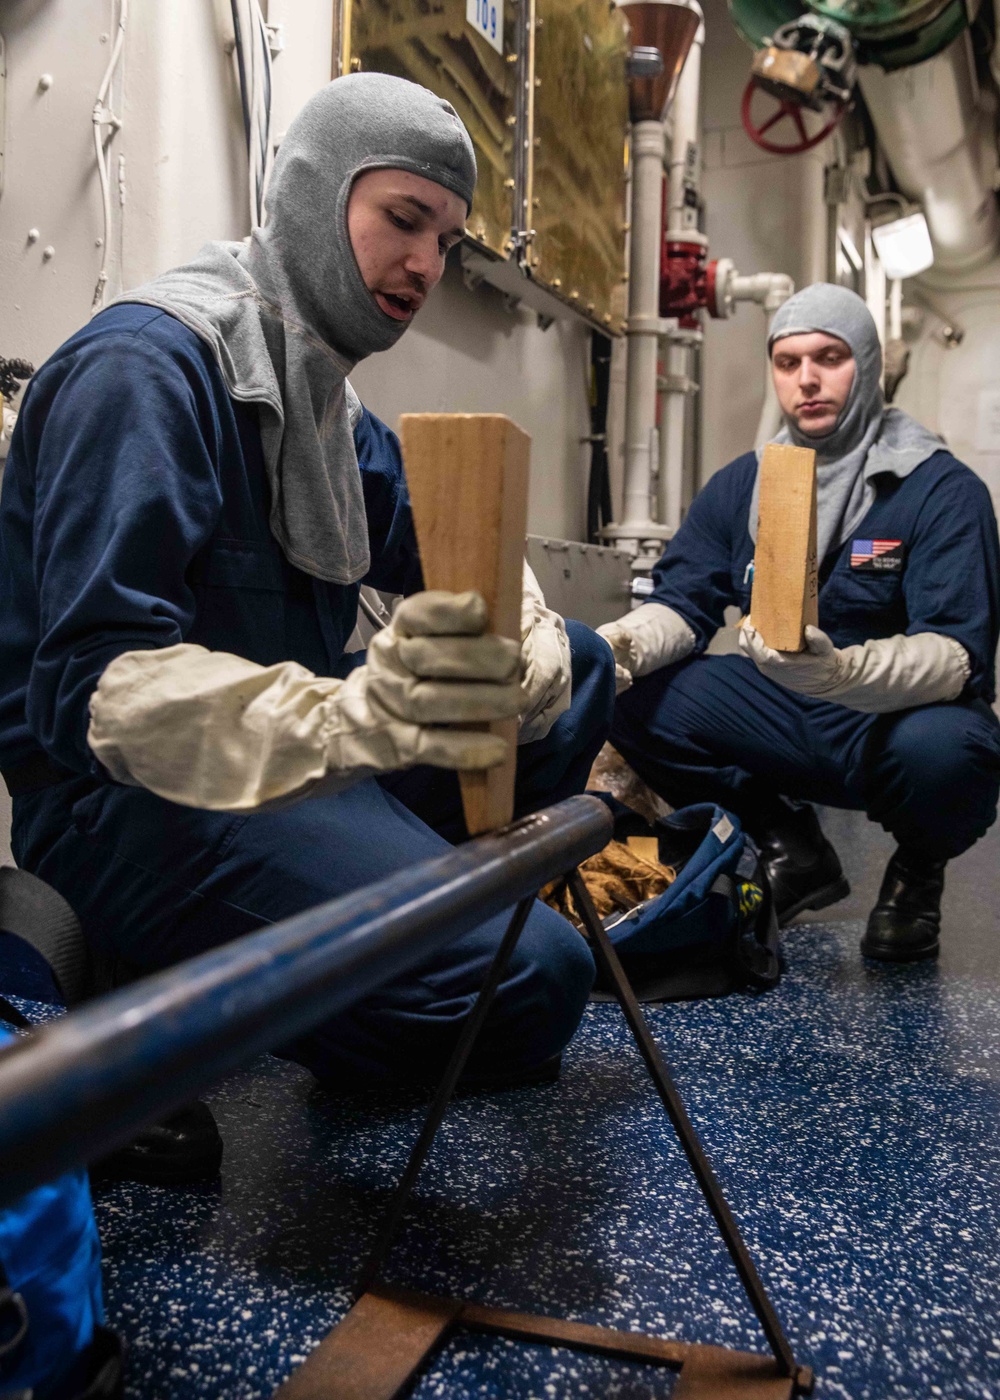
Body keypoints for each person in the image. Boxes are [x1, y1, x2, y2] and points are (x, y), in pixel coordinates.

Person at [0, 74, 615, 1104]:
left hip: (297, 764)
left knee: (582, 670)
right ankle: (164, 986)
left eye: (447, 241)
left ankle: (349, 923)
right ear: (313, 196)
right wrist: (355, 718)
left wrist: (532, 645)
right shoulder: (151, 370)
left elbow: (462, 561)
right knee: (535, 976)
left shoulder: (333, 411)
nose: (424, 264)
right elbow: (96, 690)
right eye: (403, 219)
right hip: (131, 808)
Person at [599, 283, 1000, 962]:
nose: (807, 380)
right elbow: (685, 600)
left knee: (952, 755)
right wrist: (611, 650)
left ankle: (916, 873)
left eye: (829, 357)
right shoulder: (745, 484)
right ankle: (789, 841)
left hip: (892, 721)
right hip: (784, 706)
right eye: (788, 363)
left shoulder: (937, 486)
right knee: (633, 696)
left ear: (867, 366)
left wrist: (841, 671)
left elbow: (956, 654)